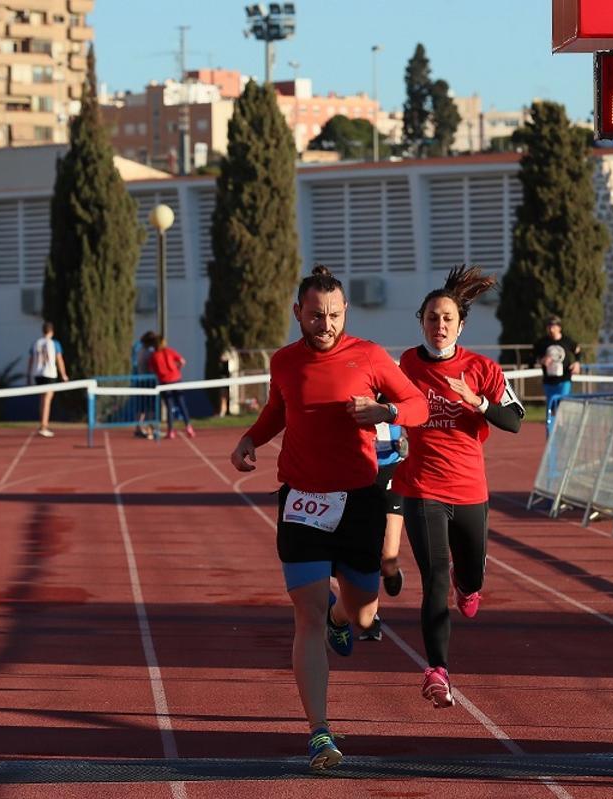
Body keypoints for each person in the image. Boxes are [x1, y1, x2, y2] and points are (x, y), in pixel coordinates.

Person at [229, 265, 428, 771]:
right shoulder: (285, 362)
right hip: (301, 500)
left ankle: (348, 617)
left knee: (362, 610)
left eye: (334, 315)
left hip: (360, 498)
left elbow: (418, 404)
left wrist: (385, 414)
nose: (325, 324)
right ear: (298, 313)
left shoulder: (369, 356)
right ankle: (320, 732)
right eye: (316, 315)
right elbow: (279, 409)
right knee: (308, 613)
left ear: (346, 313)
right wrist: (251, 437)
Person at [394, 265, 525, 709]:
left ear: (461, 324)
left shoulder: (482, 368)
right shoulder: (407, 365)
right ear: (422, 322)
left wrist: (478, 402)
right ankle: (437, 670)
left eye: (447, 318)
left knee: (469, 577)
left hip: (469, 489)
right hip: (421, 486)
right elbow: (388, 403)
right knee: (432, 579)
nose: (440, 325)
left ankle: (467, 585)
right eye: (432, 318)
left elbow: (515, 421)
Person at [357, 417, 409, 643]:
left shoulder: (398, 393)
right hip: (362, 474)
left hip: (392, 475)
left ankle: (391, 571)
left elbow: (418, 418)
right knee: (366, 553)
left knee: (387, 560)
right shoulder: (357, 396)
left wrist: (408, 444)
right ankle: (372, 619)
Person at [533, 315, 582, 437]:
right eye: (549, 326)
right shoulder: (542, 343)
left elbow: (578, 350)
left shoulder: (566, 341)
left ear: (559, 328)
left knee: (561, 404)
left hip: (564, 379)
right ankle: (551, 434)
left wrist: (577, 363)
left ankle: (563, 431)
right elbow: (532, 358)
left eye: (553, 326)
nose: (551, 329)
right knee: (551, 408)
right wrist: (541, 360)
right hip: (549, 381)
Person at [149, 336, 194, 439]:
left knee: (169, 406)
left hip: (165, 382)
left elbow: (151, 369)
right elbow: (182, 361)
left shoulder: (154, 356)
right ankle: (188, 427)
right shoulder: (169, 351)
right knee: (181, 404)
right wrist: (177, 369)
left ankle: (171, 431)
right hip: (176, 379)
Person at [29, 321, 69, 438]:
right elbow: (59, 359)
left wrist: (29, 375)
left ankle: (43, 423)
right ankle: (44, 426)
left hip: (37, 374)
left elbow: (31, 360)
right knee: (47, 400)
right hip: (49, 374)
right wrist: (64, 374)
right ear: (52, 331)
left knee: (43, 399)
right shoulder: (54, 343)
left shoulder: (36, 343)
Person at [132, 332, 158, 439]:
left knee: (141, 407)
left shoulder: (140, 350)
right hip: (148, 381)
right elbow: (153, 366)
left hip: (140, 380)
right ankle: (150, 428)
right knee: (150, 407)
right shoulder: (150, 352)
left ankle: (139, 428)